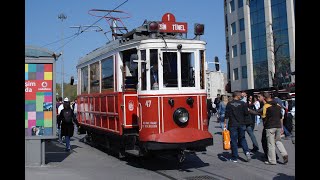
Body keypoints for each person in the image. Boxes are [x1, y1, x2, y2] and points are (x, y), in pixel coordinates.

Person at [224, 91, 251, 163]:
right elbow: (246, 113)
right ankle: (247, 152)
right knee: (242, 139)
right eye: (240, 95)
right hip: (241, 124)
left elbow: (226, 115)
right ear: (237, 96)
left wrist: (225, 124)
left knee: (233, 140)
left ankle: (235, 157)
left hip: (232, 124)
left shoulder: (229, 104)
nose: (241, 96)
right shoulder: (243, 104)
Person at [261, 92, 288, 165]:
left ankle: (272, 160)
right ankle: (284, 154)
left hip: (270, 126)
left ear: (264, 98)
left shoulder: (266, 106)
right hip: (278, 125)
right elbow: (281, 117)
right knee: (278, 141)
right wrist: (282, 127)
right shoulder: (278, 105)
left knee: (271, 144)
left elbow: (263, 117)